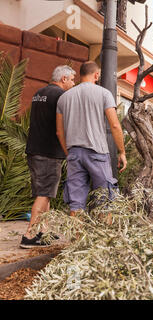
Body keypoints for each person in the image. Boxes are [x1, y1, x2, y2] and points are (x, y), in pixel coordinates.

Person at [56, 61, 127, 216]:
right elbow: (115, 125)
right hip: (97, 153)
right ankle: (102, 239)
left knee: (76, 202)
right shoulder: (104, 93)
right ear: (96, 75)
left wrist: (68, 153)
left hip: (74, 153)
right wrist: (122, 151)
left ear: (80, 75)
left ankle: (76, 239)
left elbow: (59, 132)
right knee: (105, 198)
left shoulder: (64, 98)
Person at [20, 65, 76, 249]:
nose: (73, 83)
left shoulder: (39, 93)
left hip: (34, 150)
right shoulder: (61, 96)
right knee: (43, 194)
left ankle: (43, 232)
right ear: (64, 79)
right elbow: (64, 124)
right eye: (72, 79)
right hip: (49, 152)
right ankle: (29, 235)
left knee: (44, 193)